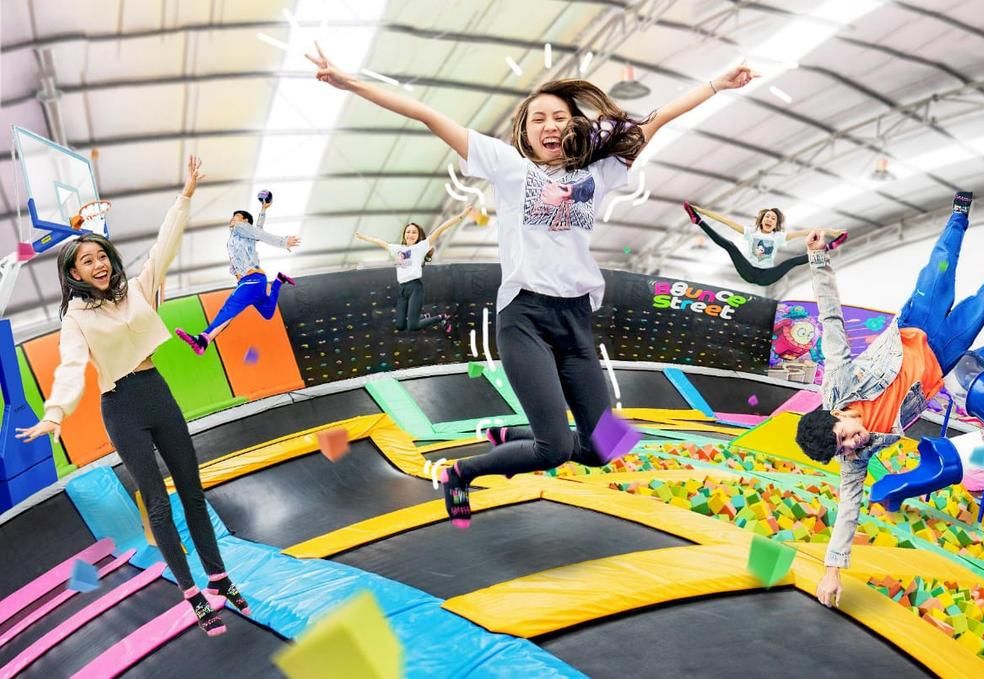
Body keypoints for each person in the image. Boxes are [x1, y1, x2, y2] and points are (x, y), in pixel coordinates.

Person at [307, 43, 754, 527]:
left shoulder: (599, 174)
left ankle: (514, 435)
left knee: (606, 446)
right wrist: (349, 82)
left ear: (574, 126)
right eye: (538, 119)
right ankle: (460, 473)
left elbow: (658, 118)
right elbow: (426, 114)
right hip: (526, 318)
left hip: (576, 320)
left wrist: (718, 84)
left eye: (559, 117)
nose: (549, 126)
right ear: (525, 132)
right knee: (555, 448)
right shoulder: (508, 167)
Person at [15, 157, 250, 636]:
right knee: (158, 504)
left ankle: (219, 578)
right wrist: (55, 413)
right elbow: (71, 366)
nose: (98, 264)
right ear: (74, 273)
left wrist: (186, 193)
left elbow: (166, 243)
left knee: (192, 492)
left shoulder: (139, 289)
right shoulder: (76, 318)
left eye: (101, 256)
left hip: (157, 392)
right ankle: (192, 595)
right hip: (121, 406)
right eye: (87, 261)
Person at [793, 192, 984, 608]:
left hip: (913, 325)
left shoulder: (838, 383)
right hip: (943, 354)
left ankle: (958, 217)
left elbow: (830, 319)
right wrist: (831, 572)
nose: (852, 444)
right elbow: (848, 509)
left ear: (836, 413)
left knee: (941, 267)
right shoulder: (856, 457)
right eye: (843, 450)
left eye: (843, 436)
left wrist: (818, 259)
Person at [175, 195, 300, 355]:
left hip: (253, 281)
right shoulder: (239, 239)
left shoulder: (240, 228)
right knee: (268, 313)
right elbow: (257, 232)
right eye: (233, 217)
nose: (232, 219)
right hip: (255, 284)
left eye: (237, 217)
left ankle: (203, 339)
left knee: (230, 307)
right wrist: (263, 210)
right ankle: (278, 281)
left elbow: (259, 233)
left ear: (245, 221)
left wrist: (283, 242)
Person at [355, 205, 472, 333]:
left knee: (413, 326)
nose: (410, 234)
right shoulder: (397, 249)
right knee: (400, 326)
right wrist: (363, 237)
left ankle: (441, 318)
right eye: (408, 232)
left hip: (415, 288)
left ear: (418, 236)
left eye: (414, 232)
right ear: (404, 234)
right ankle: (423, 318)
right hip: (402, 289)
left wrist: (462, 215)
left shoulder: (420, 247)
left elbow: (441, 229)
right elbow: (380, 242)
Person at [683, 202, 846, 286]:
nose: (769, 219)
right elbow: (725, 220)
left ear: (775, 224)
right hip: (748, 271)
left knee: (792, 261)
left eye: (773, 219)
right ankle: (698, 221)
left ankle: (828, 248)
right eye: (767, 217)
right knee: (730, 246)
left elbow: (806, 231)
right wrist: (701, 211)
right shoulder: (751, 232)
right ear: (761, 220)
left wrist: (830, 231)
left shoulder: (778, 236)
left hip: (767, 276)